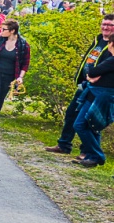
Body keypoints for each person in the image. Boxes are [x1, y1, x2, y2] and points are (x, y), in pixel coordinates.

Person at [46, 13, 114, 156]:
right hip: (85, 84)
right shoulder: (98, 40)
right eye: (104, 24)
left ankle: (87, 152)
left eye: (110, 25)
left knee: (91, 120)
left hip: (98, 87)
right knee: (71, 114)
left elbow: (107, 66)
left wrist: (93, 76)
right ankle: (64, 144)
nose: (106, 27)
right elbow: (88, 59)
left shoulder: (112, 45)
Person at [73, 36, 114, 168]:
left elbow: (91, 70)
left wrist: (91, 71)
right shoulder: (109, 59)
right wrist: (93, 76)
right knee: (93, 126)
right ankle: (92, 157)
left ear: (111, 44)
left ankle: (97, 155)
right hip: (94, 94)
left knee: (80, 125)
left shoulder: (111, 60)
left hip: (101, 96)